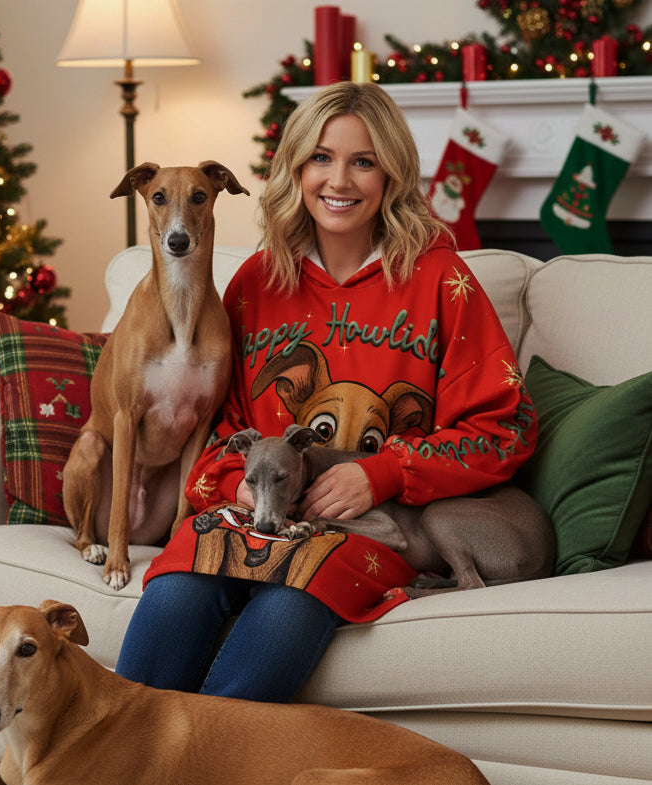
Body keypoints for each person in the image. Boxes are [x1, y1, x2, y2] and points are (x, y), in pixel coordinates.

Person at [115, 81, 537, 703]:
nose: (339, 180)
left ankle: (213, 750)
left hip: (368, 530)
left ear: (391, 174)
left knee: (287, 608)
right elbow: (218, 430)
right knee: (176, 591)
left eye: (363, 161)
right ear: (295, 168)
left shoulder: (440, 280)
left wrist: (383, 472)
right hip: (254, 516)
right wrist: (242, 485)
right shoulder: (256, 283)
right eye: (321, 157)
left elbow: (505, 430)